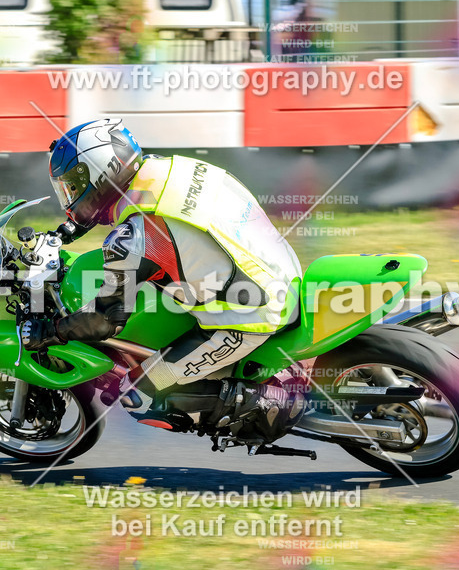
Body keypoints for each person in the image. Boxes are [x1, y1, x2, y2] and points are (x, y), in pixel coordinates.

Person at [21, 119, 304, 440]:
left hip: (251, 316)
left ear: (100, 171)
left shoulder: (131, 240)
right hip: (279, 269)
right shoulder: (166, 170)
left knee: (134, 396)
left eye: (72, 185)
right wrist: (72, 228)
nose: (70, 196)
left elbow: (103, 321)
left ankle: (271, 403)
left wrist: (53, 331)